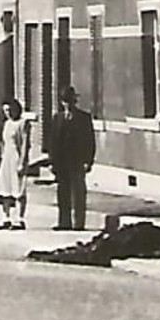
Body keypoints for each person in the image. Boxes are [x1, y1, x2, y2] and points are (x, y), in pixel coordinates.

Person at [47, 85, 96, 230]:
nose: (68, 104)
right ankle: (64, 222)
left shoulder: (84, 118)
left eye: (70, 101)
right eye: (65, 101)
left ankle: (79, 223)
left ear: (75, 101)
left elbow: (90, 141)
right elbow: (53, 142)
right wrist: (51, 161)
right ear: (62, 103)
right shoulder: (57, 118)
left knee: (78, 193)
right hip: (61, 162)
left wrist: (88, 161)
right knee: (63, 192)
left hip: (77, 161)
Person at [0, 97, 33, 231]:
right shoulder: (7, 124)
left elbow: (25, 144)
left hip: (17, 158)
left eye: (9, 109)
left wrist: (22, 161)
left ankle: (19, 219)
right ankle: (6, 218)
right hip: (6, 159)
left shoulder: (23, 123)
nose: (8, 113)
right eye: (5, 110)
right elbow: (4, 143)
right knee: (5, 189)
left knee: (18, 190)